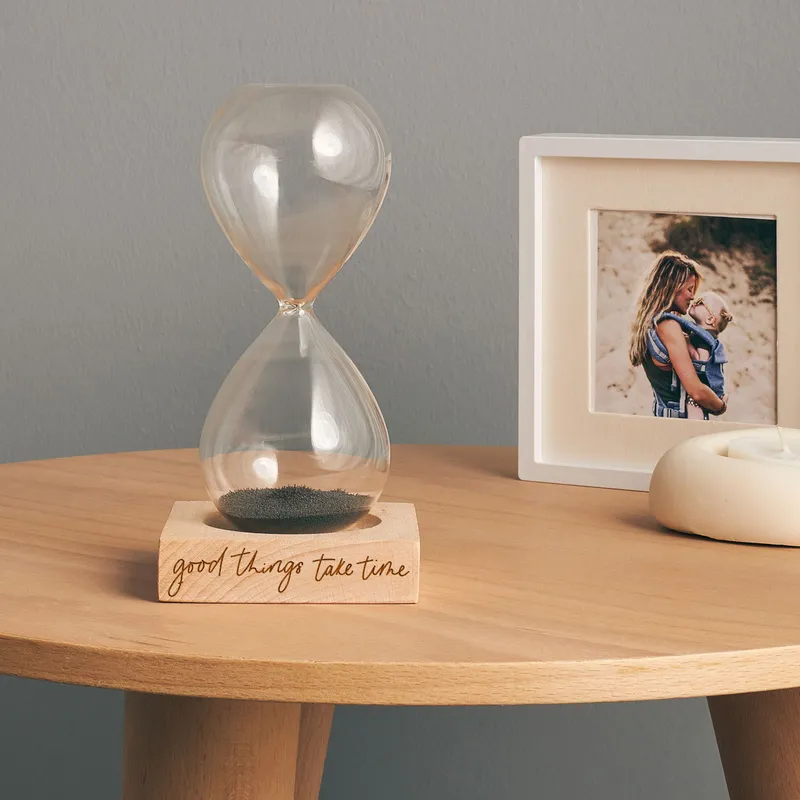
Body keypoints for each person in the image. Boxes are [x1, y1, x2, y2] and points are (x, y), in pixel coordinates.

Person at [629, 251, 728, 419]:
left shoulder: (650, 325)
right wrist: (720, 406)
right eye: (690, 289)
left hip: (662, 416)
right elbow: (696, 391)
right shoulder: (669, 325)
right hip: (680, 420)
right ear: (673, 287)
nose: (692, 296)